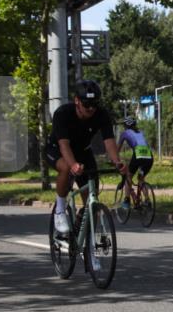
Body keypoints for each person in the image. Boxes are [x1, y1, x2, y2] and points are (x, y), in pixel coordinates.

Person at [46, 80, 128, 234]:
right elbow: (64, 145)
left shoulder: (102, 114)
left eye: (94, 104)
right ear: (77, 101)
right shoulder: (63, 114)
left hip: (83, 152)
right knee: (65, 167)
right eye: (86, 104)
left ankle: (86, 243)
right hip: (58, 149)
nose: (91, 108)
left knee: (92, 202)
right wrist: (73, 165)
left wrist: (117, 162)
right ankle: (60, 209)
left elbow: (109, 142)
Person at [116, 117, 154, 207]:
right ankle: (147, 200)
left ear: (125, 126)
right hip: (149, 157)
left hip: (138, 155)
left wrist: (113, 159)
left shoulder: (124, 133)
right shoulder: (141, 132)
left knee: (128, 176)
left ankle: (126, 200)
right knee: (141, 179)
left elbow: (117, 149)